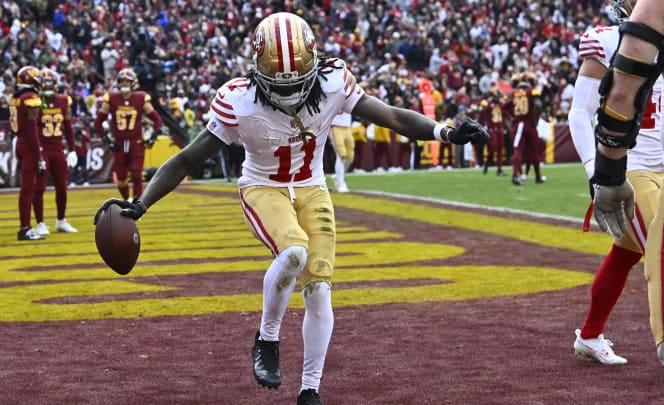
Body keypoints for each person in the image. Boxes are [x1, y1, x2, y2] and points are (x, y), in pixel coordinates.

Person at [94, 12, 488, 405]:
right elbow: (185, 160)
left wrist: (445, 132)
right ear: (257, 72)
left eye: (300, 82)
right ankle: (267, 339)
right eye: (280, 85)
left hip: (313, 187)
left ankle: (310, 389)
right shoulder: (239, 100)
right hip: (263, 187)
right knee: (295, 251)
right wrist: (141, 204)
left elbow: (393, 116)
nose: (291, 93)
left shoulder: (334, 82)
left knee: (319, 288)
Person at [568, 0, 664, 365]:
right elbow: (579, 113)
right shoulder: (607, 41)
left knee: (626, 253)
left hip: (661, 166)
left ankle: (590, 334)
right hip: (630, 166)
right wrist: (597, 170)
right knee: (658, 249)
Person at [94, 67, 162, 200]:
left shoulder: (140, 98)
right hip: (119, 143)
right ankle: (126, 201)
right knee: (121, 181)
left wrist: (154, 136)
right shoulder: (111, 98)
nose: (124, 84)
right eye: (122, 81)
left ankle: (137, 204)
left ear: (133, 83)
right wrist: (107, 140)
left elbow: (157, 119)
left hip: (136, 142)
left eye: (127, 81)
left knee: (137, 174)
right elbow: (98, 122)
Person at [32, 68, 78, 235]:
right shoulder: (35, 101)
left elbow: (68, 126)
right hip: (43, 148)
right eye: (45, 84)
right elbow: (32, 129)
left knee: (62, 187)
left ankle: (61, 220)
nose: (48, 88)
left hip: (58, 148)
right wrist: (36, 152)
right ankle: (40, 223)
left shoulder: (64, 100)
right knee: (40, 187)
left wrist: (72, 149)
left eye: (50, 84)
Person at [11, 66, 46, 240]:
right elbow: (32, 130)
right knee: (28, 188)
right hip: (28, 144)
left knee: (27, 188)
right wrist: (39, 155)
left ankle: (25, 226)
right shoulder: (30, 97)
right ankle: (25, 228)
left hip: (19, 141)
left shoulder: (16, 98)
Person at [505, 72, 545, 185]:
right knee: (534, 152)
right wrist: (536, 119)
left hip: (519, 124)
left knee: (518, 150)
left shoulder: (513, 93)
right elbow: (538, 105)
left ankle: (515, 175)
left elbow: (504, 107)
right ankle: (538, 176)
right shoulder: (532, 91)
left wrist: (510, 118)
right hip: (530, 124)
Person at [477, 89, 507, 176]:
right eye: (497, 95)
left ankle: (499, 169)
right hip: (492, 129)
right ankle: (486, 164)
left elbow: (506, 114)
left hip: (500, 129)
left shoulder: (501, 105)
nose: (499, 97)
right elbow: (481, 115)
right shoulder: (488, 104)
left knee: (500, 149)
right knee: (494, 148)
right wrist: (479, 126)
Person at [328, 110, 354, 193]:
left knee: (350, 157)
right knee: (340, 155)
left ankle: (338, 177)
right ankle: (341, 184)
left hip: (347, 126)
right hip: (335, 126)